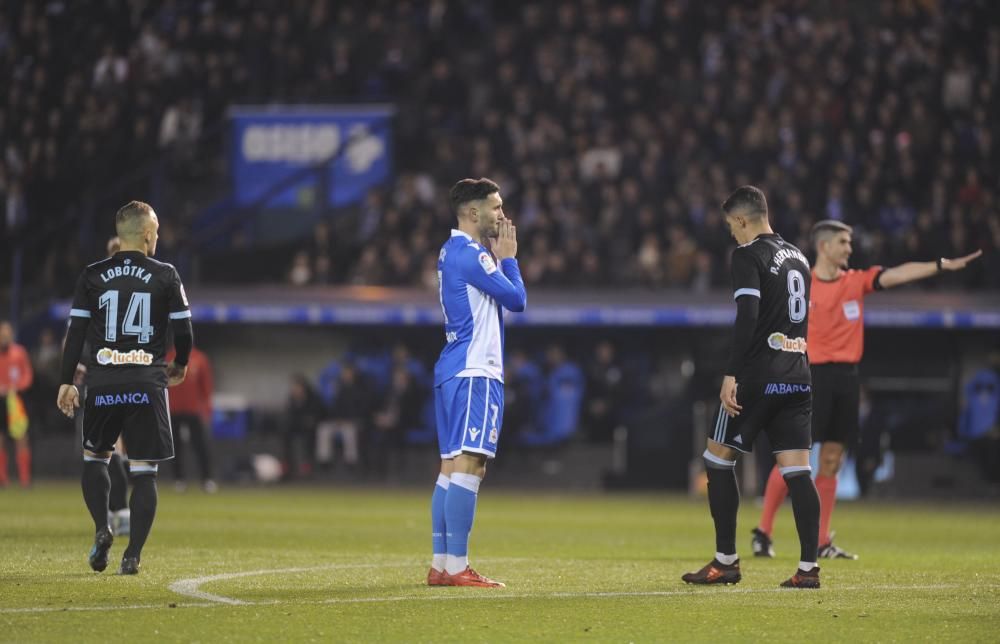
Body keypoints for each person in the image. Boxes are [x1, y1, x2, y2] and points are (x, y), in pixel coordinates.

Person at [750, 220, 982, 560]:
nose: (850, 248)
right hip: (808, 377)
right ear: (825, 246)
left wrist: (940, 265)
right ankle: (763, 532)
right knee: (792, 459)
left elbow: (898, 274)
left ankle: (821, 540)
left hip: (846, 380)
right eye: (844, 242)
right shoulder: (801, 285)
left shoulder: (856, 282)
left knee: (831, 460)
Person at [682, 186, 822, 589]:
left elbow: (748, 315)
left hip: (758, 376)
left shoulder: (747, 255)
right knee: (798, 472)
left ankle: (726, 561)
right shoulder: (799, 257)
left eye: (731, 226)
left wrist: (732, 373)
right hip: (798, 376)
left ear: (743, 220)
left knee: (717, 459)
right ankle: (808, 569)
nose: (732, 235)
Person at [57, 200, 193, 576]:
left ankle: (102, 528)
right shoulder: (166, 274)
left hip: (103, 383)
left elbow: (75, 335)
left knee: (95, 459)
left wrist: (66, 381)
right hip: (146, 384)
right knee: (144, 472)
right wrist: (180, 363)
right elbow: (184, 330)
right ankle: (132, 555)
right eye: (157, 232)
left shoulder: (92, 274)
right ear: (148, 234)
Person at [428, 178, 526, 588]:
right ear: (473, 213)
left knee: (451, 468)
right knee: (471, 465)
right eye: (496, 207)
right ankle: (457, 567)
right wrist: (509, 259)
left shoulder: (449, 250)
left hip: (452, 368)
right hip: (476, 370)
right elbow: (517, 300)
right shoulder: (473, 255)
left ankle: (441, 563)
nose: (502, 215)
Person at [166, 345, 216, 493]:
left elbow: (206, 385)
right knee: (175, 447)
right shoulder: (168, 358)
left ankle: (207, 479)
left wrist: (207, 409)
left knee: (200, 445)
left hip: (193, 410)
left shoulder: (199, 358)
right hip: (173, 410)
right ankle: (179, 479)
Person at [0, 320, 34, 488]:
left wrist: (16, 387)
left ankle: (24, 479)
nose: (4, 336)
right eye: (2, 333)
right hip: (0, 401)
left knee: (21, 438)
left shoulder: (19, 353)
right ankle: (3, 479)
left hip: (16, 402)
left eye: (7, 333)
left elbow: (27, 375)